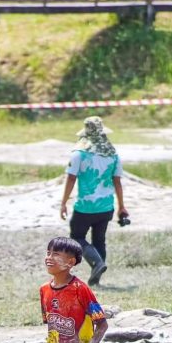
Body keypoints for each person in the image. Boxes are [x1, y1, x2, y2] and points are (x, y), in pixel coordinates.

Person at [59, 116, 128, 287]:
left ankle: (97, 264)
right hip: (106, 206)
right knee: (99, 240)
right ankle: (97, 276)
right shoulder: (113, 155)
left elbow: (71, 179)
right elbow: (117, 182)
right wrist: (121, 207)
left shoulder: (78, 155)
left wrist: (63, 202)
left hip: (85, 206)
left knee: (76, 238)